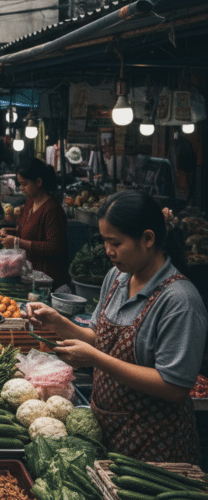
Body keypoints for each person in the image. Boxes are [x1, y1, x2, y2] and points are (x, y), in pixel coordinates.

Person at [26, 190, 207, 463]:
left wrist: (96, 359)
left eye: (116, 242)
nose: (108, 251)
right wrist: (58, 322)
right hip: (108, 430)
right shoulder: (117, 277)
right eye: (104, 241)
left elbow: (173, 387)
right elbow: (99, 337)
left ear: (148, 238)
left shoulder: (180, 300)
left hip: (156, 446)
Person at [0, 157, 69, 286]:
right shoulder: (30, 202)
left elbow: (54, 247)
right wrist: (12, 232)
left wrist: (17, 242)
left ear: (39, 182)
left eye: (24, 184)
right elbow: (29, 232)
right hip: (30, 275)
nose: (21, 188)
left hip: (47, 278)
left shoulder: (52, 209)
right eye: (20, 184)